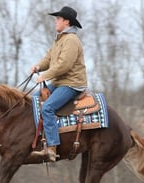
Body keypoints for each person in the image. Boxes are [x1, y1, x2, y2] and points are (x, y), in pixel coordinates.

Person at [30, 6, 88, 162]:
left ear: (66, 22)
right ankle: (39, 137)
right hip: (59, 82)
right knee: (34, 101)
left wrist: (45, 76)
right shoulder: (60, 39)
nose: (55, 22)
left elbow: (64, 65)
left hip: (71, 84)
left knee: (47, 108)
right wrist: (38, 67)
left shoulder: (71, 41)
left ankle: (52, 147)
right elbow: (49, 58)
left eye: (58, 19)